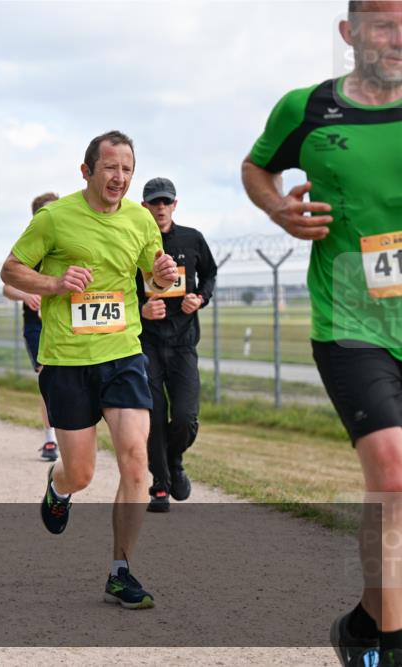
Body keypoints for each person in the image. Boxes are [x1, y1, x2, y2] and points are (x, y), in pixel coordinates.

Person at [242, 3, 402, 664]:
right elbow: (257, 169)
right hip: (350, 320)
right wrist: (281, 208)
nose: (398, 36)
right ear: (350, 34)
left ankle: (365, 621)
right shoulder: (306, 109)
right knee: (392, 473)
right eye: (385, 22)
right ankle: (392, 645)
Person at [0, 130, 178, 610]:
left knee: (136, 459)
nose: (119, 177)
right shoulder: (55, 218)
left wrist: (161, 280)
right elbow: (11, 270)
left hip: (122, 354)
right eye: (110, 168)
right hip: (68, 361)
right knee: (81, 472)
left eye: (127, 170)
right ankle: (59, 488)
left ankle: (121, 571)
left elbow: (153, 277)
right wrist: (55, 282)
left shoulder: (142, 220)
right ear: (87, 171)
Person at [135, 178, 217, 512]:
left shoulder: (192, 238)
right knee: (154, 417)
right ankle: (160, 485)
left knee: (185, 416)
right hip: (147, 345)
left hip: (183, 343)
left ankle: (174, 460)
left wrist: (200, 298)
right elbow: (122, 291)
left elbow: (210, 274)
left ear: (175, 205)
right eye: (154, 202)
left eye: (166, 202)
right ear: (144, 207)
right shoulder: (134, 244)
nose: (160, 208)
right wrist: (142, 310)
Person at [2, 191, 61, 461]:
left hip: (65, 322)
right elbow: (7, 287)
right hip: (36, 326)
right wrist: (26, 294)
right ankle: (50, 440)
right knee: (47, 376)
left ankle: (71, 432)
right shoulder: (30, 249)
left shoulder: (67, 247)